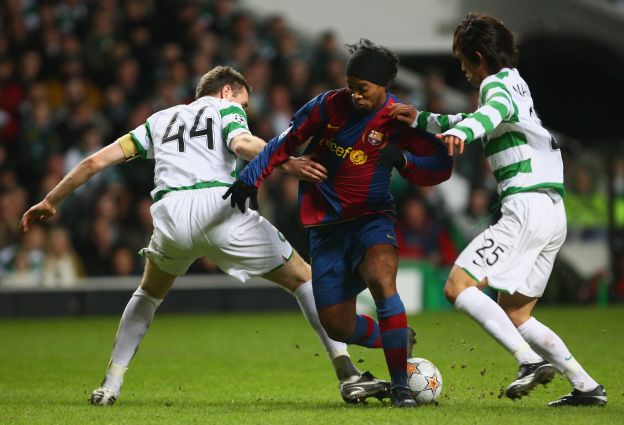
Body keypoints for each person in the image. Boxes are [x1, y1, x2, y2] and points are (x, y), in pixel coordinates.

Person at [20, 66, 389, 406]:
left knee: (148, 293)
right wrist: (287, 161)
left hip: (171, 216)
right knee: (303, 279)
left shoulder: (159, 120)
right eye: (242, 101)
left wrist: (51, 200)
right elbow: (243, 145)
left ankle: (110, 384)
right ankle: (347, 374)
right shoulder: (224, 109)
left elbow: (93, 162)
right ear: (227, 91)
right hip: (219, 209)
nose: (243, 107)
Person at [388, 13, 607, 407]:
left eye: (463, 61)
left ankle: (527, 361)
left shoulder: (495, 85)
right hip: (553, 211)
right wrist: (424, 119)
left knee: (458, 285)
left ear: (478, 57)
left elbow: (486, 116)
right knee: (517, 313)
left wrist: (461, 133)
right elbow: (484, 118)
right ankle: (587, 386)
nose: (463, 71)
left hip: (525, 208)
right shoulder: (515, 82)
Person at [223, 40, 453, 407]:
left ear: (384, 87)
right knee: (337, 325)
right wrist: (251, 176)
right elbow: (287, 141)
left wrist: (405, 161)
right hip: (325, 228)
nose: (355, 95)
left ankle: (400, 388)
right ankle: (396, 337)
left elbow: (441, 167)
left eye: (363, 89)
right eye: (351, 86)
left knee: (382, 280)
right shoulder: (328, 105)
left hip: (372, 217)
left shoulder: (400, 119)